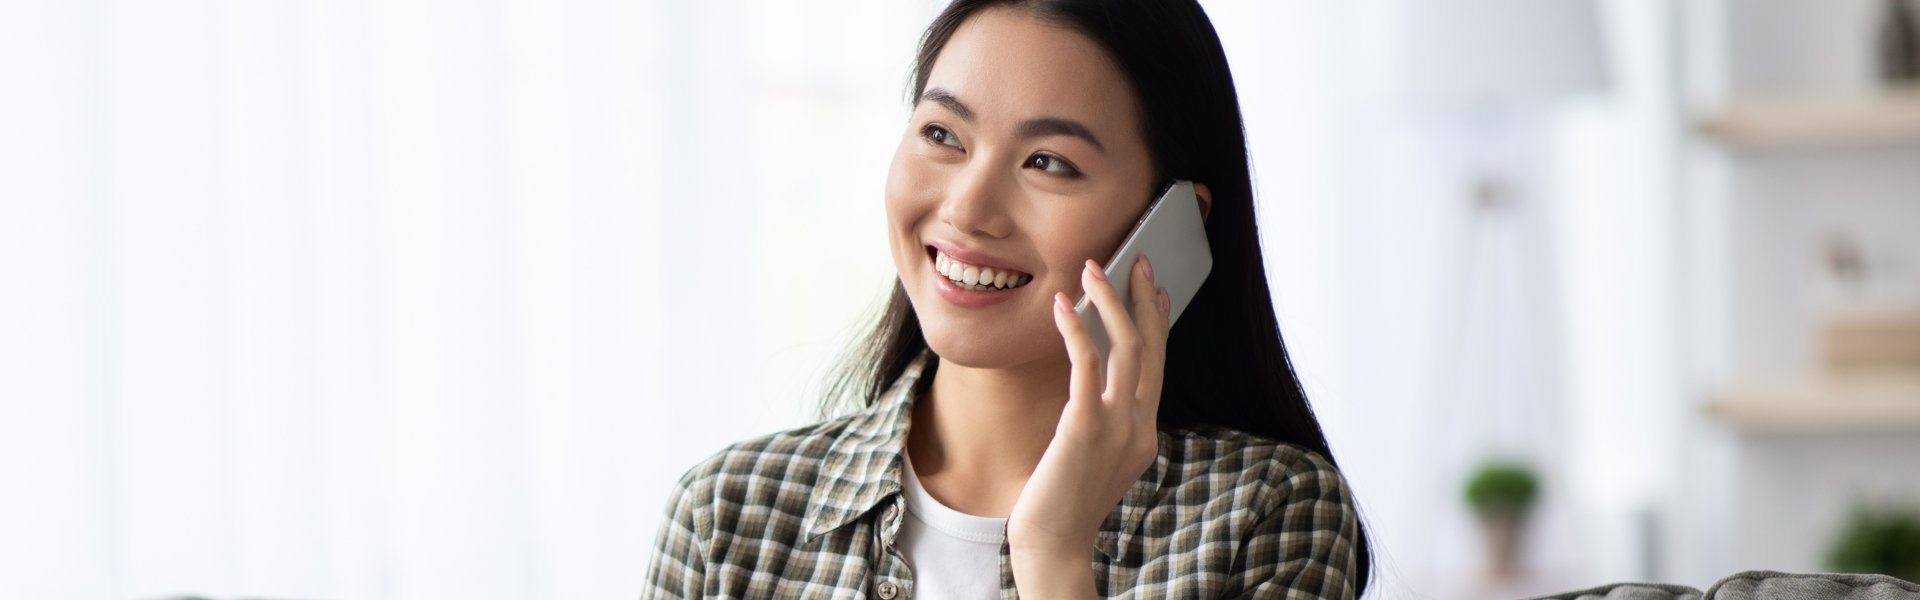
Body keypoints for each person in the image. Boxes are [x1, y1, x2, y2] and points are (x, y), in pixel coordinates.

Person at [643, 0, 1372, 597]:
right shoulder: (726, 518)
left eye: (1047, 162)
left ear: (1172, 224)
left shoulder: (1269, 516)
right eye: (942, 134)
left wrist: (1053, 553)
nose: (967, 208)